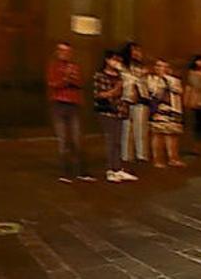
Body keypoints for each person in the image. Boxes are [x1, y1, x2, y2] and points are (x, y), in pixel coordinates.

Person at [46, 42, 94, 183]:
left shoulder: (75, 66)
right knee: (63, 139)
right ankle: (64, 172)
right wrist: (65, 78)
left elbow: (80, 83)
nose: (65, 54)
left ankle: (81, 171)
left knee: (77, 138)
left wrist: (72, 79)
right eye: (62, 51)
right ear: (57, 52)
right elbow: (52, 84)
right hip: (58, 104)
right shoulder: (53, 66)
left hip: (73, 104)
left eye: (67, 51)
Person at [93, 50, 138, 183]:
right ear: (107, 60)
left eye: (119, 61)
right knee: (111, 140)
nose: (117, 63)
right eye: (114, 60)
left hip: (120, 111)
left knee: (118, 141)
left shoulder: (121, 76)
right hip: (106, 111)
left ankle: (117, 168)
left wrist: (131, 88)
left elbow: (129, 96)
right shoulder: (100, 75)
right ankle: (110, 170)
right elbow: (99, 95)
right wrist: (116, 89)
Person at [145, 59, 186, 168]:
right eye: (158, 66)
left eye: (163, 66)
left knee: (172, 135)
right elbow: (153, 92)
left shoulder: (174, 80)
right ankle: (157, 160)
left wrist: (166, 78)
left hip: (173, 110)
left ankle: (173, 158)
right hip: (158, 111)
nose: (160, 68)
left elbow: (178, 91)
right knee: (158, 135)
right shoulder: (151, 79)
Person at [120, 42, 149, 162]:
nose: (137, 53)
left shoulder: (142, 68)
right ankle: (126, 155)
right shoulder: (123, 67)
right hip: (126, 99)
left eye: (139, 51)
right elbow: (126, 81)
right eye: (134, 51)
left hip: (141, 100)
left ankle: (141, 154)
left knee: (141, 128)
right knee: (126, 129)